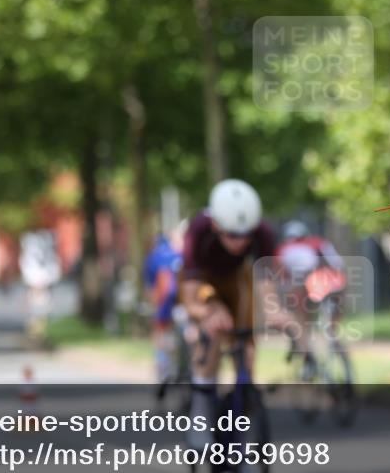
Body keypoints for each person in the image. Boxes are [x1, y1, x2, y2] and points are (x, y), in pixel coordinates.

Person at [178, 179, 296, 441]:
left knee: (246, 339)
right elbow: (191, 297)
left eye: (246, 234)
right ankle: (201, 408)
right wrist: (207, 312)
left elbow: (265, 279)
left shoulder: (262, 233)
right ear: (217, 225)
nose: (241, 242)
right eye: (232, 235)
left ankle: (245, 406)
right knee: (212, 332)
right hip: (204, 282)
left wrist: (274, 310)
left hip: (237, 279)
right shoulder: (197, 232)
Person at [275, 220, 346, 357]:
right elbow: (338, 264)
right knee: (334, 313)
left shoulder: (282, 249)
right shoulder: (320, 242)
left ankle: (304, 349)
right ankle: (332, 334)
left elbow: (281, 277)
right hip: (333, 284)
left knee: (297, 315)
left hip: (308, 286)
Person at [144, 232, 183, 383]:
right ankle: (182, 363)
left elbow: (151, 287)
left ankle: (162, 366)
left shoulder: (152, 257)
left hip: (163, 301)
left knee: (160, 332)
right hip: (180, 300)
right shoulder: (178, 254)